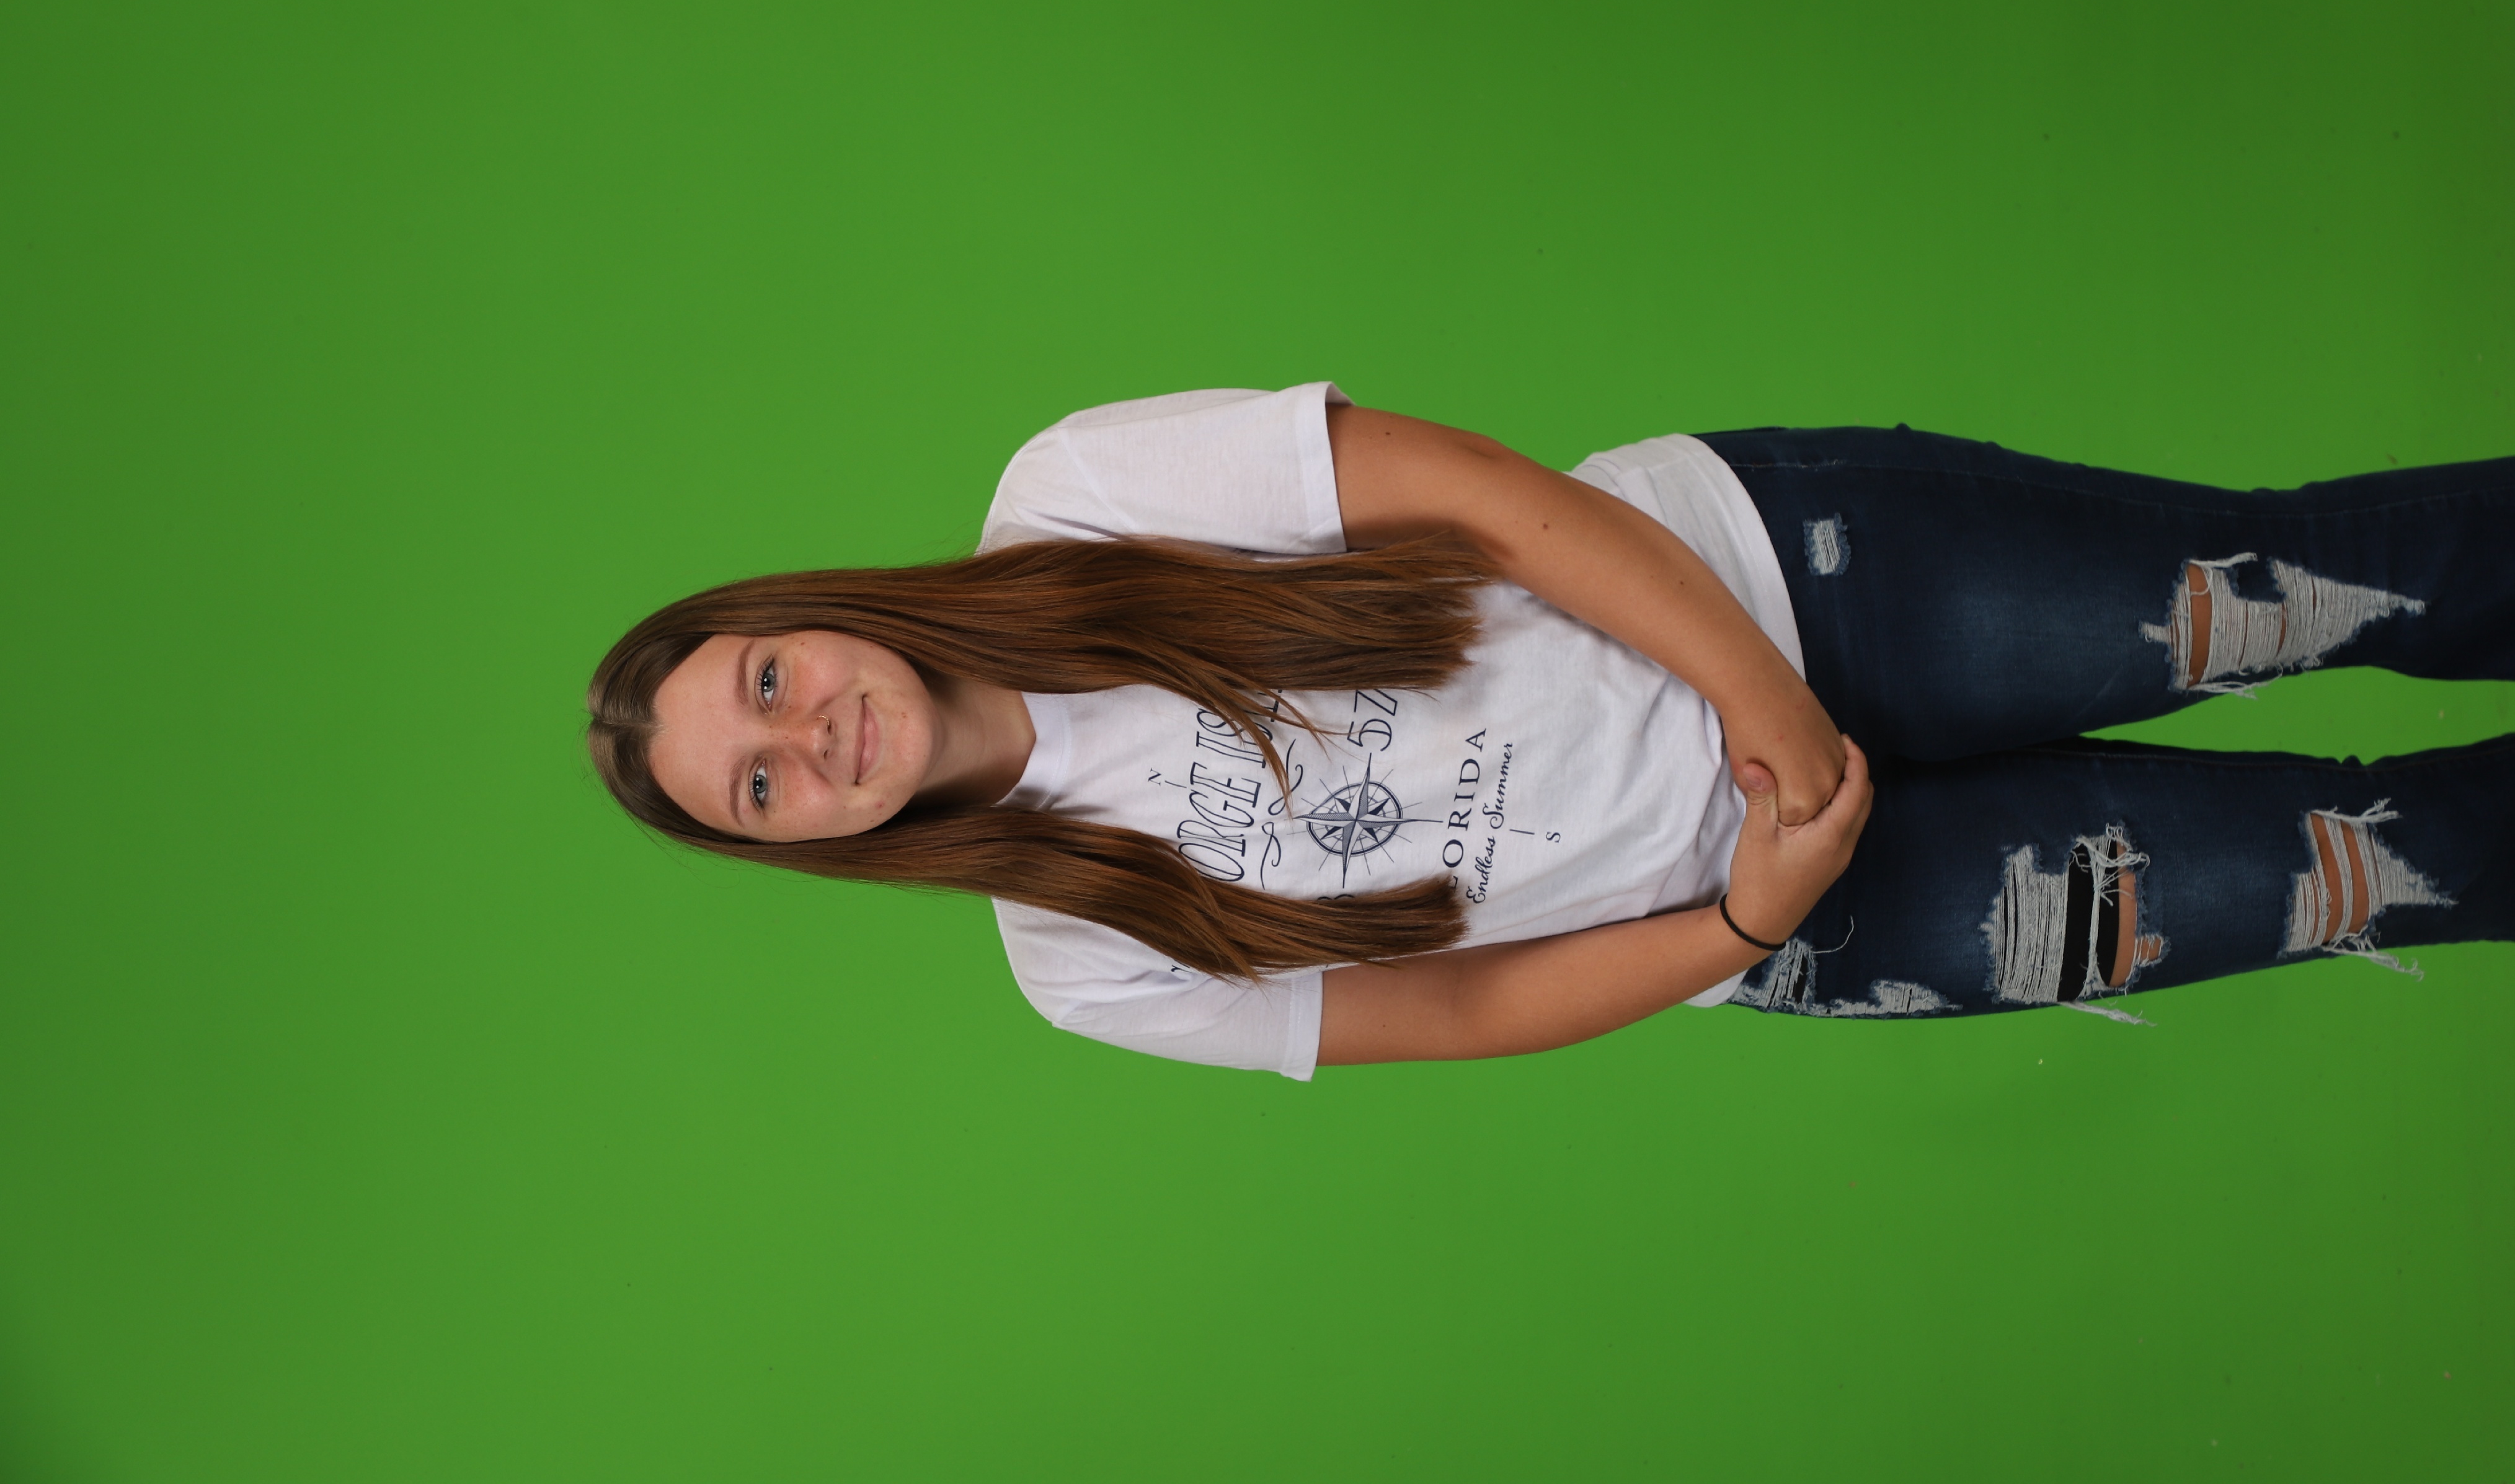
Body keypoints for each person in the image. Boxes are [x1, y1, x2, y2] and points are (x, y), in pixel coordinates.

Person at [586, 385, 2514, 1077]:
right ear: (799, 847)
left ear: (799, 614)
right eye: (759, 790)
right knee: (2358, 876)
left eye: (765, 682)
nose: (808, 740)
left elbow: (1486, 498)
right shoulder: (1081, 964)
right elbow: (1464, 1010)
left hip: (1796, 585)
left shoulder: (1072, 495)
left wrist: (1765, 702)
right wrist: (1752, 916)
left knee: (2321, 593)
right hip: (1810, 908)